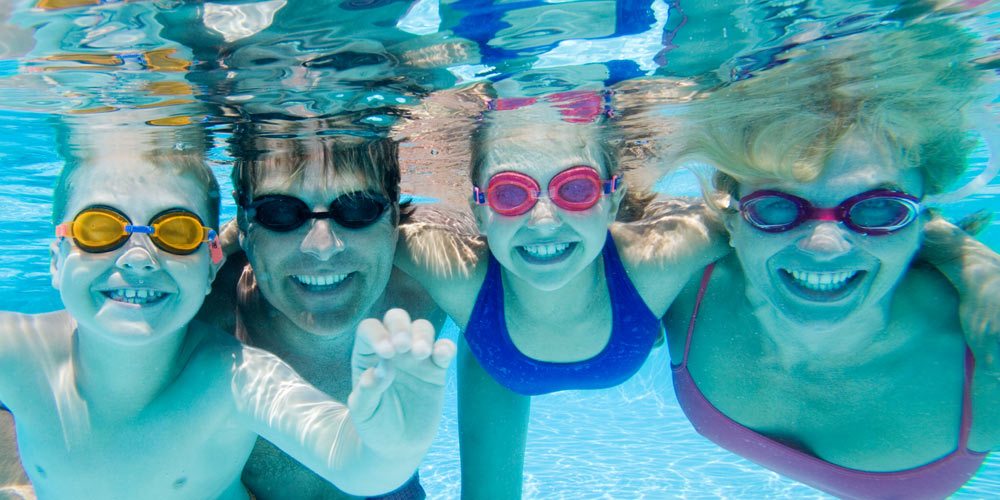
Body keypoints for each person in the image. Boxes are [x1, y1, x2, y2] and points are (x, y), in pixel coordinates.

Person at [0, 117, 454, 499]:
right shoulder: (20, 351)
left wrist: (394, 447)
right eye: (98, 229)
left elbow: (348, 456)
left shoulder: (235, 375)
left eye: (175, 232)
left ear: (209, 261)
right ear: (55, 259)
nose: (137, 257)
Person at [662, 22, 998, 498]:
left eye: (878, 209)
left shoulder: (985, 357)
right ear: (733, 220)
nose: (823, 246)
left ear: (922, 221)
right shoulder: (678, 280)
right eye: (777, 207)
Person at [394, 91, 731, 498]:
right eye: (510, 194)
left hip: (524, 330)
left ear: (613, 199)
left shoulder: (653, 262)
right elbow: (362, 233)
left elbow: (752, 217)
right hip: (494, 351)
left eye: (575, 189)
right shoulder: (460, 276)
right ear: (480, 211)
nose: (543, 220)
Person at [197, 118, 446, 499]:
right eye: (279, 213)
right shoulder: (204, 317)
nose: (323, 246)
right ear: (245, 227)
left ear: (394, 216)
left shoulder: (435, 282)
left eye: (358, 208)